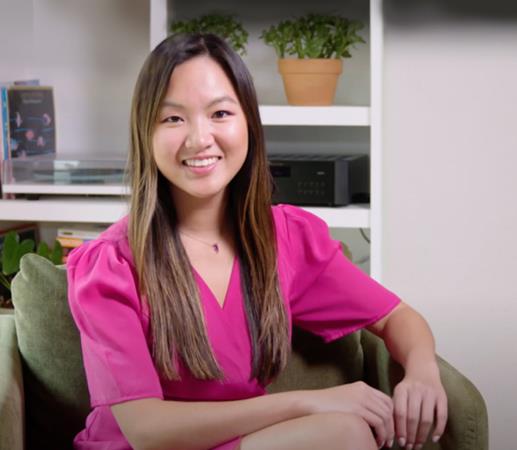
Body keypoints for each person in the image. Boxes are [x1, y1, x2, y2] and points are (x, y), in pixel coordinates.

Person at [66, 32, 447, 450]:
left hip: (241, 442)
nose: (199, 139)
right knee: (343, 431)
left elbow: (397, 317)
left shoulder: (286, 239)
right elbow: (147, 431)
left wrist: (422, 371)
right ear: (146, 134)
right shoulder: (110, 265)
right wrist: (306, 403)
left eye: (220, 113)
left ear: (248, 121)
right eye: (173, 119)